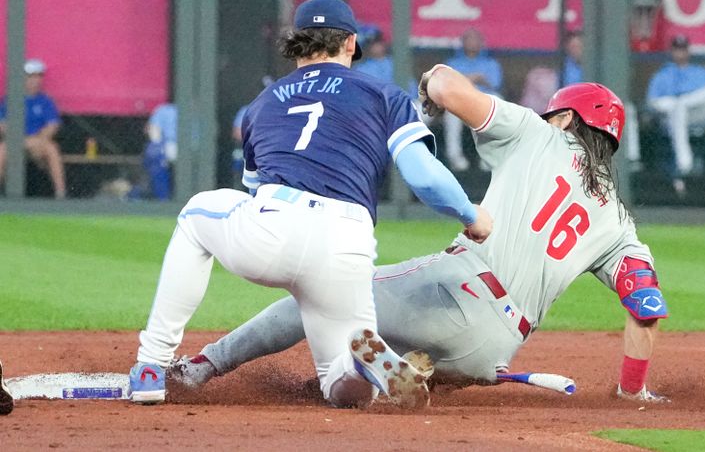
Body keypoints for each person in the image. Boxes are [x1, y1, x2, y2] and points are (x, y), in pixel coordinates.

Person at [169, 75, 669, 404]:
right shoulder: (619, 223)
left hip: (458, 287)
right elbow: (646, 307)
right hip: (496, 348)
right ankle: (395, 374)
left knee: (315, 292)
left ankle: (199, 367)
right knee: (373, 347)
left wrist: (429, 89)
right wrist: (631, 391)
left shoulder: (539, 135)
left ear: (566, 118)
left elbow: (449, 85)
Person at [127, 0, 493, 409]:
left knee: (195, 216)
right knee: (341, 388)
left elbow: (254, 190)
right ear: (351, 43)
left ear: (297, 43)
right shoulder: (383, 94)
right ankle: (357, 369)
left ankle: (151, 365)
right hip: (347, 243)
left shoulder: (262, 105)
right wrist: (469, 213)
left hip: (272, 226)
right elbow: (425, 178)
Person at [646, 35, 705, 194]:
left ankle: (684, 161)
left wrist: (683, 102)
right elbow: (652, 103)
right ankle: (684, 162)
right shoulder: (662, 74)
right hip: (669, 118)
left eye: (683, 49)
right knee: (676, 109)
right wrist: (677, 104)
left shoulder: (702, 72)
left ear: (688, 51)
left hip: (696, 117)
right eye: (677, 49)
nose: (680, 53)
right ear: (671, 51)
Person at [0, 59, 66, 198]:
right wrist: (21, 140)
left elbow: (52, 125)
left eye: (38, 76)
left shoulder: (46, 101)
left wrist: (38, 140)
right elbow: (3, 125)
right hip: (15, 142)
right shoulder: (10, 99)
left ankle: (60, 193)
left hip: (39, 143)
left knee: (52, 149)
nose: (35, 81)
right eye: (30, 77)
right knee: (1, 151)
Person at [444, 28, 503, 171]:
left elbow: (495, 85)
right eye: (469, 40)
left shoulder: (491, 63)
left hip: (483, 100)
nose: (472, 43)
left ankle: (488, 157)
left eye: (475, 40)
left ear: (481, 43)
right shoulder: (452, 62)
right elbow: (446, 85)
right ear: (463, 43)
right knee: (451, 112)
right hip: (459, 102)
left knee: (496, 104)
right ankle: (455, 156)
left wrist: (478, 80)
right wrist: (470, 79)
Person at [142, 102, 177, 200]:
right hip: (168, 145)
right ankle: (162, 198)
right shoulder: (165, 110)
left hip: (187, 147)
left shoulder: (195, 110)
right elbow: (154, 130)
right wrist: (157, 147)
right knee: (156, 161)